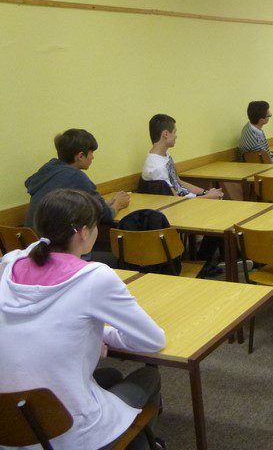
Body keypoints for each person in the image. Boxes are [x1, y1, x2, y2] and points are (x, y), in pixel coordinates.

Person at [0, 189, 166, 450]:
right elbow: (153, 340)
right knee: (148, 377)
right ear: (83, 233)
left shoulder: (11, 264)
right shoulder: (94, 278)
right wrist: (100, 333)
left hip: (8, 428)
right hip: (66, 435)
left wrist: (89, 334)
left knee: (110, 375)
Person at [24, 128, 130, 228]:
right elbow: (105, 216)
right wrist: (118, 204)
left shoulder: (49, 168)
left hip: (30, 239)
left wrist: (109, 203)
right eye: (91, 153)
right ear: (80, 156)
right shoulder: (76, 177)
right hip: (52, 240)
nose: (93, 157)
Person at [142, 114, 223, 198]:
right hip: (183, 203)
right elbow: (176, 201)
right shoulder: (157, 168)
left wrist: (205, 192)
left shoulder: (164, 156)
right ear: (166, 134)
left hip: (189, 199)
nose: (176, 136)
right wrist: (209, 196)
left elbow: (178, 182)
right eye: (174, 132)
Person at [239, 101, 273, 165]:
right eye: (269, 115)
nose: (270, 116)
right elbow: (268, 164)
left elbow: (267, 155)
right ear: (261, 120)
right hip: (259, 168)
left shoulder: (249, 127)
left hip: (259, 165)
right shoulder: (252, 138)